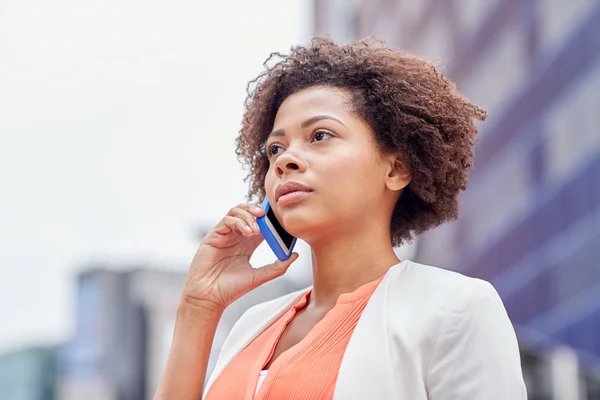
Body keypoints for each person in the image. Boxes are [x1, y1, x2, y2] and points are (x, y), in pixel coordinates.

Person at [154, 37, 527, 400]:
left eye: (320, 135)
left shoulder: (456, 307)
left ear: (396, 168)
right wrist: (198, 309)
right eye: (275, 149)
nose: (285, 160)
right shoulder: (252, 326)